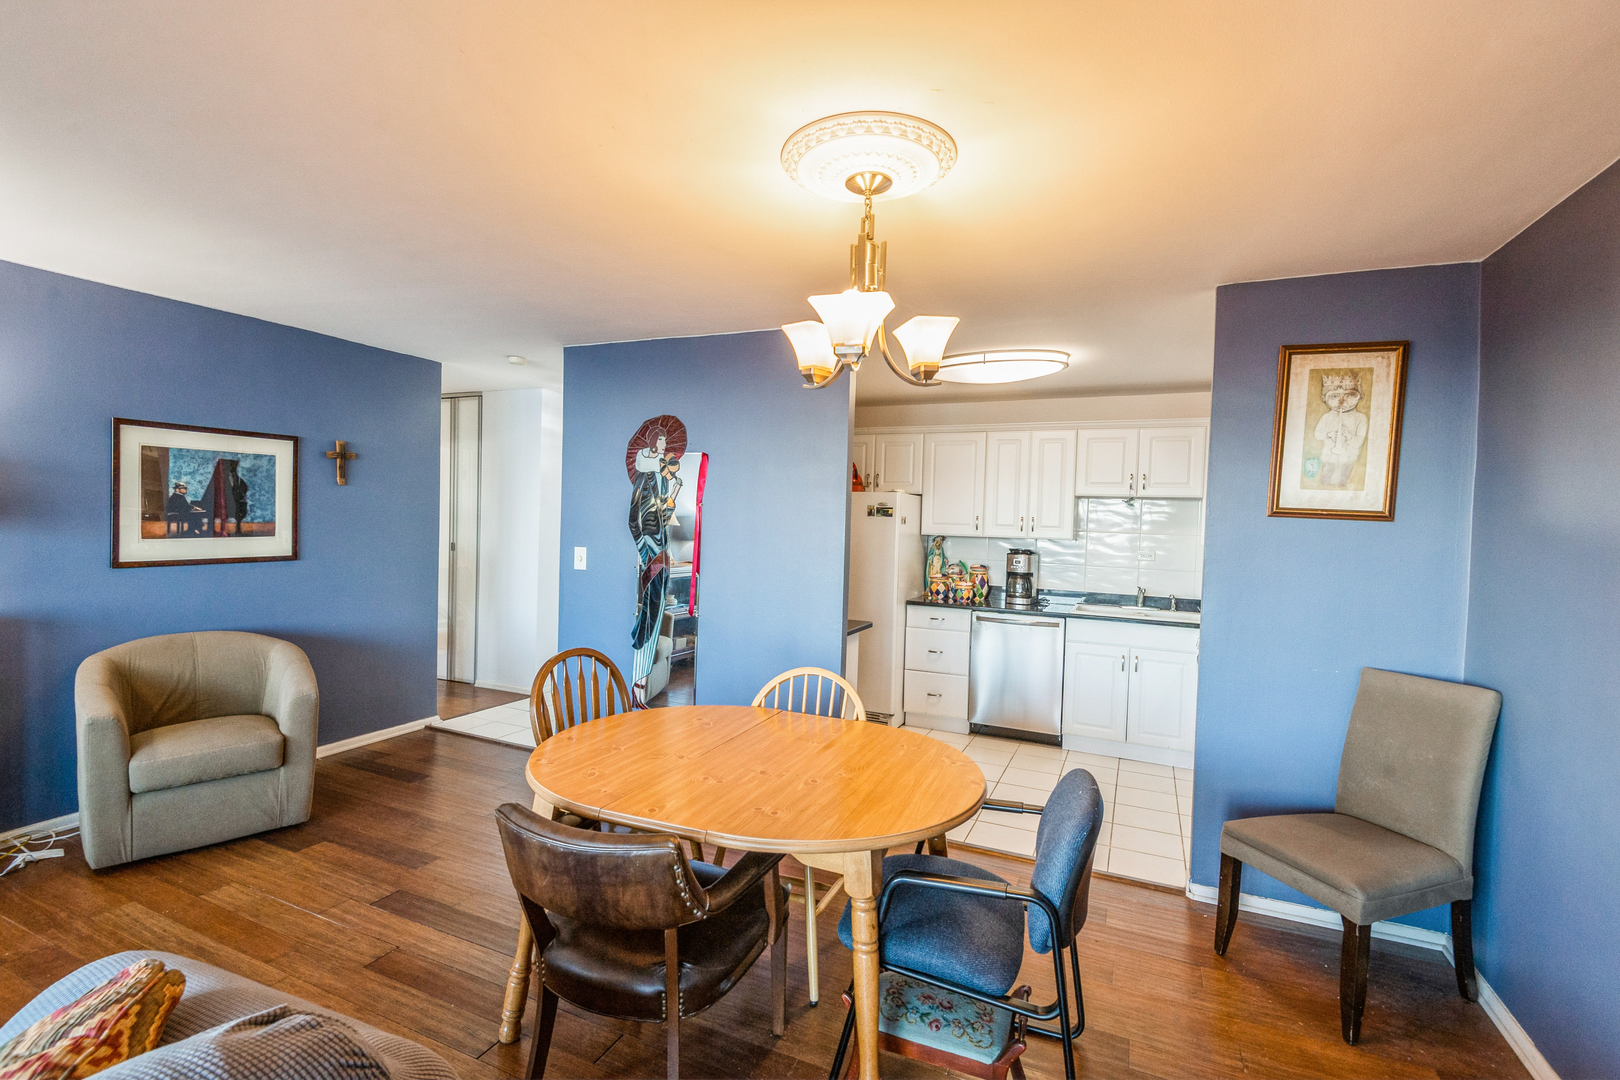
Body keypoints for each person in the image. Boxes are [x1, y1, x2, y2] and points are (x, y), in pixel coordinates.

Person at [1313, 371, 1369, 487]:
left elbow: (1358, 442)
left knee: (1343, 480)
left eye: (1350, 395)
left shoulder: (1361, 418)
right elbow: (1317, 434)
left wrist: (1348, 436)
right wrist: (1328, 434)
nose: (1342, 401)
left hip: (1349, 456)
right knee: (1326, 478)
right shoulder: (1327, 417)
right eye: (1334, 396)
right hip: (1329, 455)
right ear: (1324, 398)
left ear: (1360, 396)